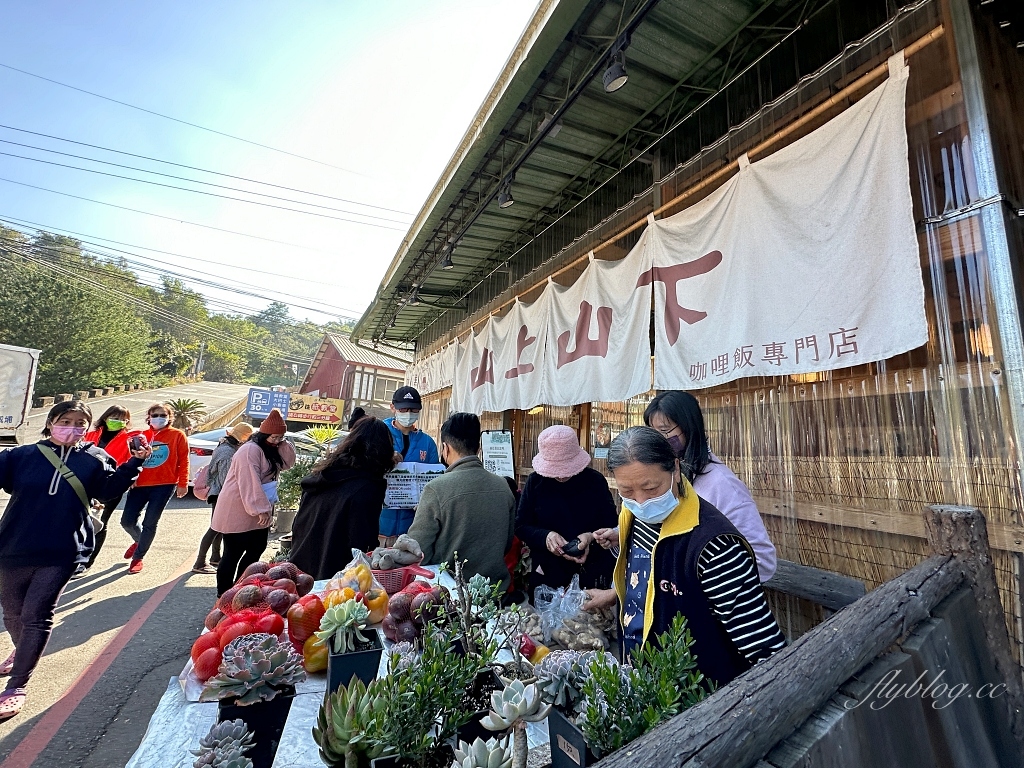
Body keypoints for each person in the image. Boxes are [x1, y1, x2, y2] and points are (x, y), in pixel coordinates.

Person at [587, 427, 785, 687]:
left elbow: (765, 649)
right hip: (643, 680)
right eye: (627, 491)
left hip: (700, 697)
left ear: (676, 470)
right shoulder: (631, 516)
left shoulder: (715, 545)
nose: (641, 501)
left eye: (651, 488)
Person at [0, 401, 150, 720]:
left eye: (80, 422)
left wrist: (134, 463)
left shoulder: (95, 459)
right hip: (14, 545)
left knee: (36, 614)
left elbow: (109, 492)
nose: (73, 427)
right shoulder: (21, 456)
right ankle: (23, 649)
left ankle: (17, 686)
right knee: (12, 613)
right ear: (51, 422)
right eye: (65, 420)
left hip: (63, 548)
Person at [640, 391, 776, 581]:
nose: (658, 440)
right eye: (653, 432)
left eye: (664, 431)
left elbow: (762, 560)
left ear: (688, 427)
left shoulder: (722, 484)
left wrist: (701, 579)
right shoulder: (671, 473)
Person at [408, 412, 516, 591]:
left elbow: (419, 553)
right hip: (495, 593)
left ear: (446, 448)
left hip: (448, 598)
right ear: (478, 448)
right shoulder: (503, 486)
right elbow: (506, 543)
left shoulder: (436, 488)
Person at [515, 425, 617, 596]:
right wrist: (546, 537)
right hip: (547, 573)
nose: (561, 476)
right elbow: (521, 526)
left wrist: (590, 537)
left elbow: (612, 526)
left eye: (566, 468)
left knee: (590, 621)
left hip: (591, 572)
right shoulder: (535, 482)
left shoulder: (595, 482)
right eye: (556, 470)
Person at [289, 417, 396, 579]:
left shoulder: (322, 474)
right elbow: (363, 544)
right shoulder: (367, 487)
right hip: (336, 578)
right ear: (383, 450)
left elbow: (298, 525)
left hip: (300, 569)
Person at [212, 409, 296, 595]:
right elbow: (250, 481)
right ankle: (224, 593)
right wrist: (261, 510)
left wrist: (282, 441)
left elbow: (288, 463)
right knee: (232, 553)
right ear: (263, 434)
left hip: (259, 506)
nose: (276, 441)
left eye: (280, 437)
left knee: (256, 549)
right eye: (273, 437)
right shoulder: (249, 450)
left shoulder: (270, 448)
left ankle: (240, 587)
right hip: (239, 508)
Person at [120, 403, 189, 575]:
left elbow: (184, 460)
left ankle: (138, 557)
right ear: (149, 417)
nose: (159, 418)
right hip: (140, 484)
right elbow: (128, 458)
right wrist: (128, 478)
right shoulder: (140, 436)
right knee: (127, 521)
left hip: (164, 485)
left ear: (169, 417)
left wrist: (183, 483)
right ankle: (139, 540)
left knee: (150, 522)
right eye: (155, 415)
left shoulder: (177, 435)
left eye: (163, 415)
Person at [80, 405, 141, 576]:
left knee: (100, 523)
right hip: (85, 483)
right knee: (80, 521)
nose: (119, 421)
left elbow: (133, 460)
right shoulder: (90, 435)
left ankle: (87, 562)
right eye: (115, 417)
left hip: (111, 484)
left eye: (123, 419)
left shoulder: (129, 438)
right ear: (106, 417)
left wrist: (131, 478)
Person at [191, 422, 254, 574]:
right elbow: (227, 479)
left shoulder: (224, 446)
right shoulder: (228, 453)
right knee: (215, 528)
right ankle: (200, 562)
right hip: (221, 494)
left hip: (218, 493)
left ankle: (215, 557)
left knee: (220, 527)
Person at [380, 386, 438, 545]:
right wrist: (383, 457)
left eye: (413, 410)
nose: (409, 414)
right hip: (378, 526)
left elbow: (434, 483)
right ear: (393, 407)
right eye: (403, 409)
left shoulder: (427, 443)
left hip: (412, 531)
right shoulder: (378, 434)